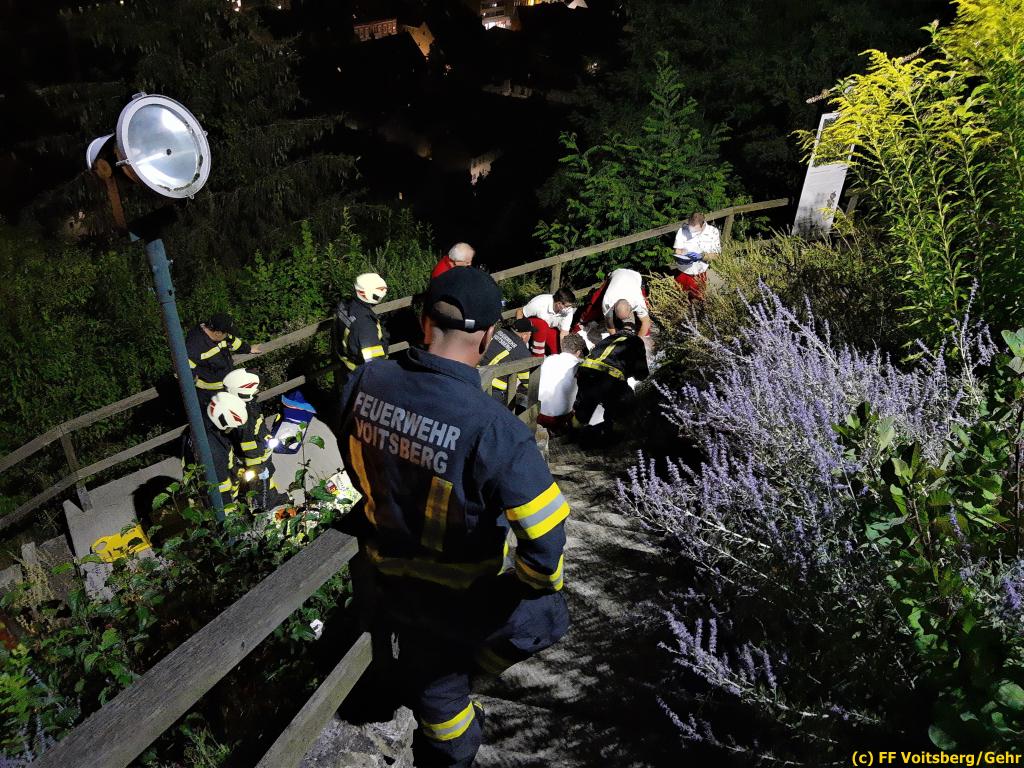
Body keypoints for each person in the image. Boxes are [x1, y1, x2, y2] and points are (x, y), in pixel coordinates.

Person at [337, 268, 569, 768]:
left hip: (383, 578)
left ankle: (451, 701)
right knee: (548, 612)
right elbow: (546, 543)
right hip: (456, 599)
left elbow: (355, 462)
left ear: (425, 322)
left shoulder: (365, 380)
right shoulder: (495, 428)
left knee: (444, 690)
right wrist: (528, 582)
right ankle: (464, 687)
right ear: (487, 338)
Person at [573, 303, 650, 433]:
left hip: (585, 372)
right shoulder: (636, 342)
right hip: (608, 378)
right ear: (636, 329)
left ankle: (573, 432)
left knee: (584, 409)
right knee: (625, 403)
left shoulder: (609, 339)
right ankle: (613, 433)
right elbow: (642, 374)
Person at [223, 369, 283, 505]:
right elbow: (248, 443)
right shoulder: (245, 416)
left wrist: (267, 438)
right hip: (256, 459)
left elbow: (259, 427)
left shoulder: (248, 405)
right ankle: (264, 506)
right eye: (255, 388)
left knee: (268, 477)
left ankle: (273, 496)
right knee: (259, 485)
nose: (257, 390)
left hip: (261, 453)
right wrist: (256, 466)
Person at [183, 391, 249, 515]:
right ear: (222, 420)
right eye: (231, 426)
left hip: (200, 486)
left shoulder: (199, 424)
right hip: (219, 501)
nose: (232, 430)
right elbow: (221, 488)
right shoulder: (214, 449)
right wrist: (230, 514)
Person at [185, 313, 262, 403]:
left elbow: (232, 341)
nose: (228, 335)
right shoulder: (194, 346)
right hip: (209, 395)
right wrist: (191, 379)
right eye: (226, 333)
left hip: (227, 387)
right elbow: (185, 369)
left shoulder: (219, 333)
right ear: (218, 333)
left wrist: (248, 349)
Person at [333, 273, 389, 394]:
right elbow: (373, 363)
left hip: (344, 368)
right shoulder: (364, 325)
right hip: (360, 376)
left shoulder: (345, 305)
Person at [537, 333, 586, 432]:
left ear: (562, 346)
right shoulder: (579, 366)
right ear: (578, 352)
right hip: (560, 418)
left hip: (539, 413)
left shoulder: (548, 359)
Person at [479, 318, 533, 404]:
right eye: (530, 334)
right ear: (524, 336)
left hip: (472, 372)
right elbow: (528, 382)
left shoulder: (498, 331)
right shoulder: (523, 352)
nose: (530, 336)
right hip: (492, 389)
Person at [672, 212, 721, 300]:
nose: (691, 232)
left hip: (699, 275)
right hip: (682, 273)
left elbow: (716, 255)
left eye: (695, 229)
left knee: (698, 302)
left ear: (702, 225)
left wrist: (702, 256)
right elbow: (677, 250)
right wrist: (681, 256)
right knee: (678, 300)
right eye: (690, 227)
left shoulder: (713, 232)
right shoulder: (682, 230)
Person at [516, 287, 576, 357]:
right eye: (567, 306)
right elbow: (520, 312)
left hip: (549, 328)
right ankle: (537, 357)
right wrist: (521, 332)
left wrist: (564, 354)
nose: (569, 309)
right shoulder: (540, 303)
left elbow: (564, 333)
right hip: (532, 324)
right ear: (559, 304)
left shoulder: (568, 311)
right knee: (542, 325)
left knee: (556, 350)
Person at [599, 268, 651, 336]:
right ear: (613, 307)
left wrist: (637, 339)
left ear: (631, 308)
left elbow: (646, 322)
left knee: (643, 324)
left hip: (635, 275)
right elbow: (609, 323)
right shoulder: (607, 301)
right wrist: (615, 337)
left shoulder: (638, 301)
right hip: (617, 273)